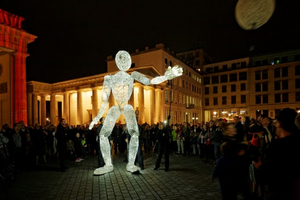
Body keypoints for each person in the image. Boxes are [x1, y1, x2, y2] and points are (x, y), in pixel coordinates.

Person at [88, 50, 182, 175]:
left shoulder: (133, 75)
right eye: (122, 60)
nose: (124, 63)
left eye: (126, 60)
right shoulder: (109, 78)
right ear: (118, 62)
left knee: (134, 133)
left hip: (126, 106)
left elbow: (150, 81)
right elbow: (104, 102)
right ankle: (108, 164)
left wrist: (166, 77)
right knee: (103, 134)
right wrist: (96, 118)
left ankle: (131, 164)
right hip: (116, 107)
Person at [255, 108, 300, 200]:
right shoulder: (296, 141)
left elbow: (274, 173)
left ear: (279, 123)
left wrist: (260, 167)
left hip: (281, 192)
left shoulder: (279, 146)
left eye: (275, 122)